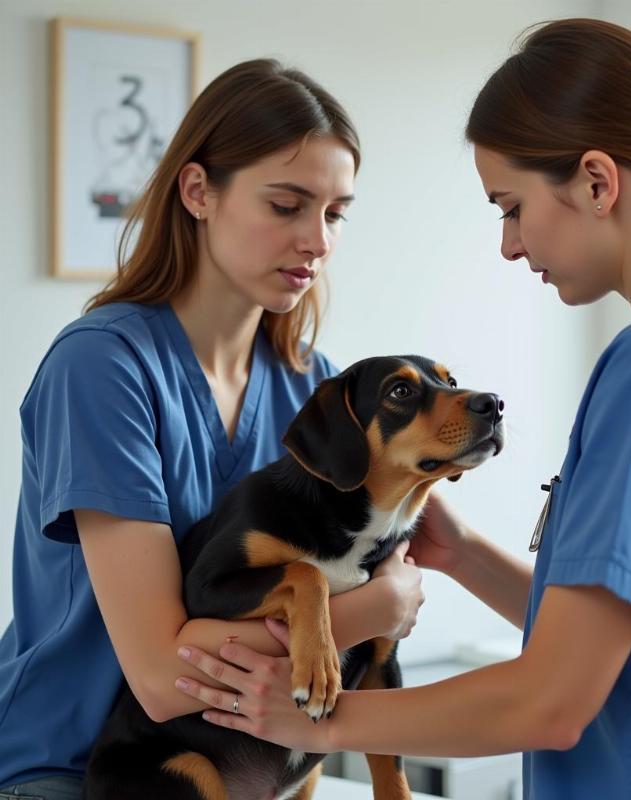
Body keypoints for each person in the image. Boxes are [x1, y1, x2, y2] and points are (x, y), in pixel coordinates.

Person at [174, 18, 631, 799]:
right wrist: (462, 553)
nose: (508, 244)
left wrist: (315, 722)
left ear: (598, 183)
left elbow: (550, 702)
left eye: (510, 206)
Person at [0, 59, 425, 799]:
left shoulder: (306, 381)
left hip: (248, 766)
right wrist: (377, 611)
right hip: (70, 773)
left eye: (335, 213)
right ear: (198, 192)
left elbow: (393, 547)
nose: (317, 242)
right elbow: (165, 677)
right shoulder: (102, 368)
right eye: (287, 205)